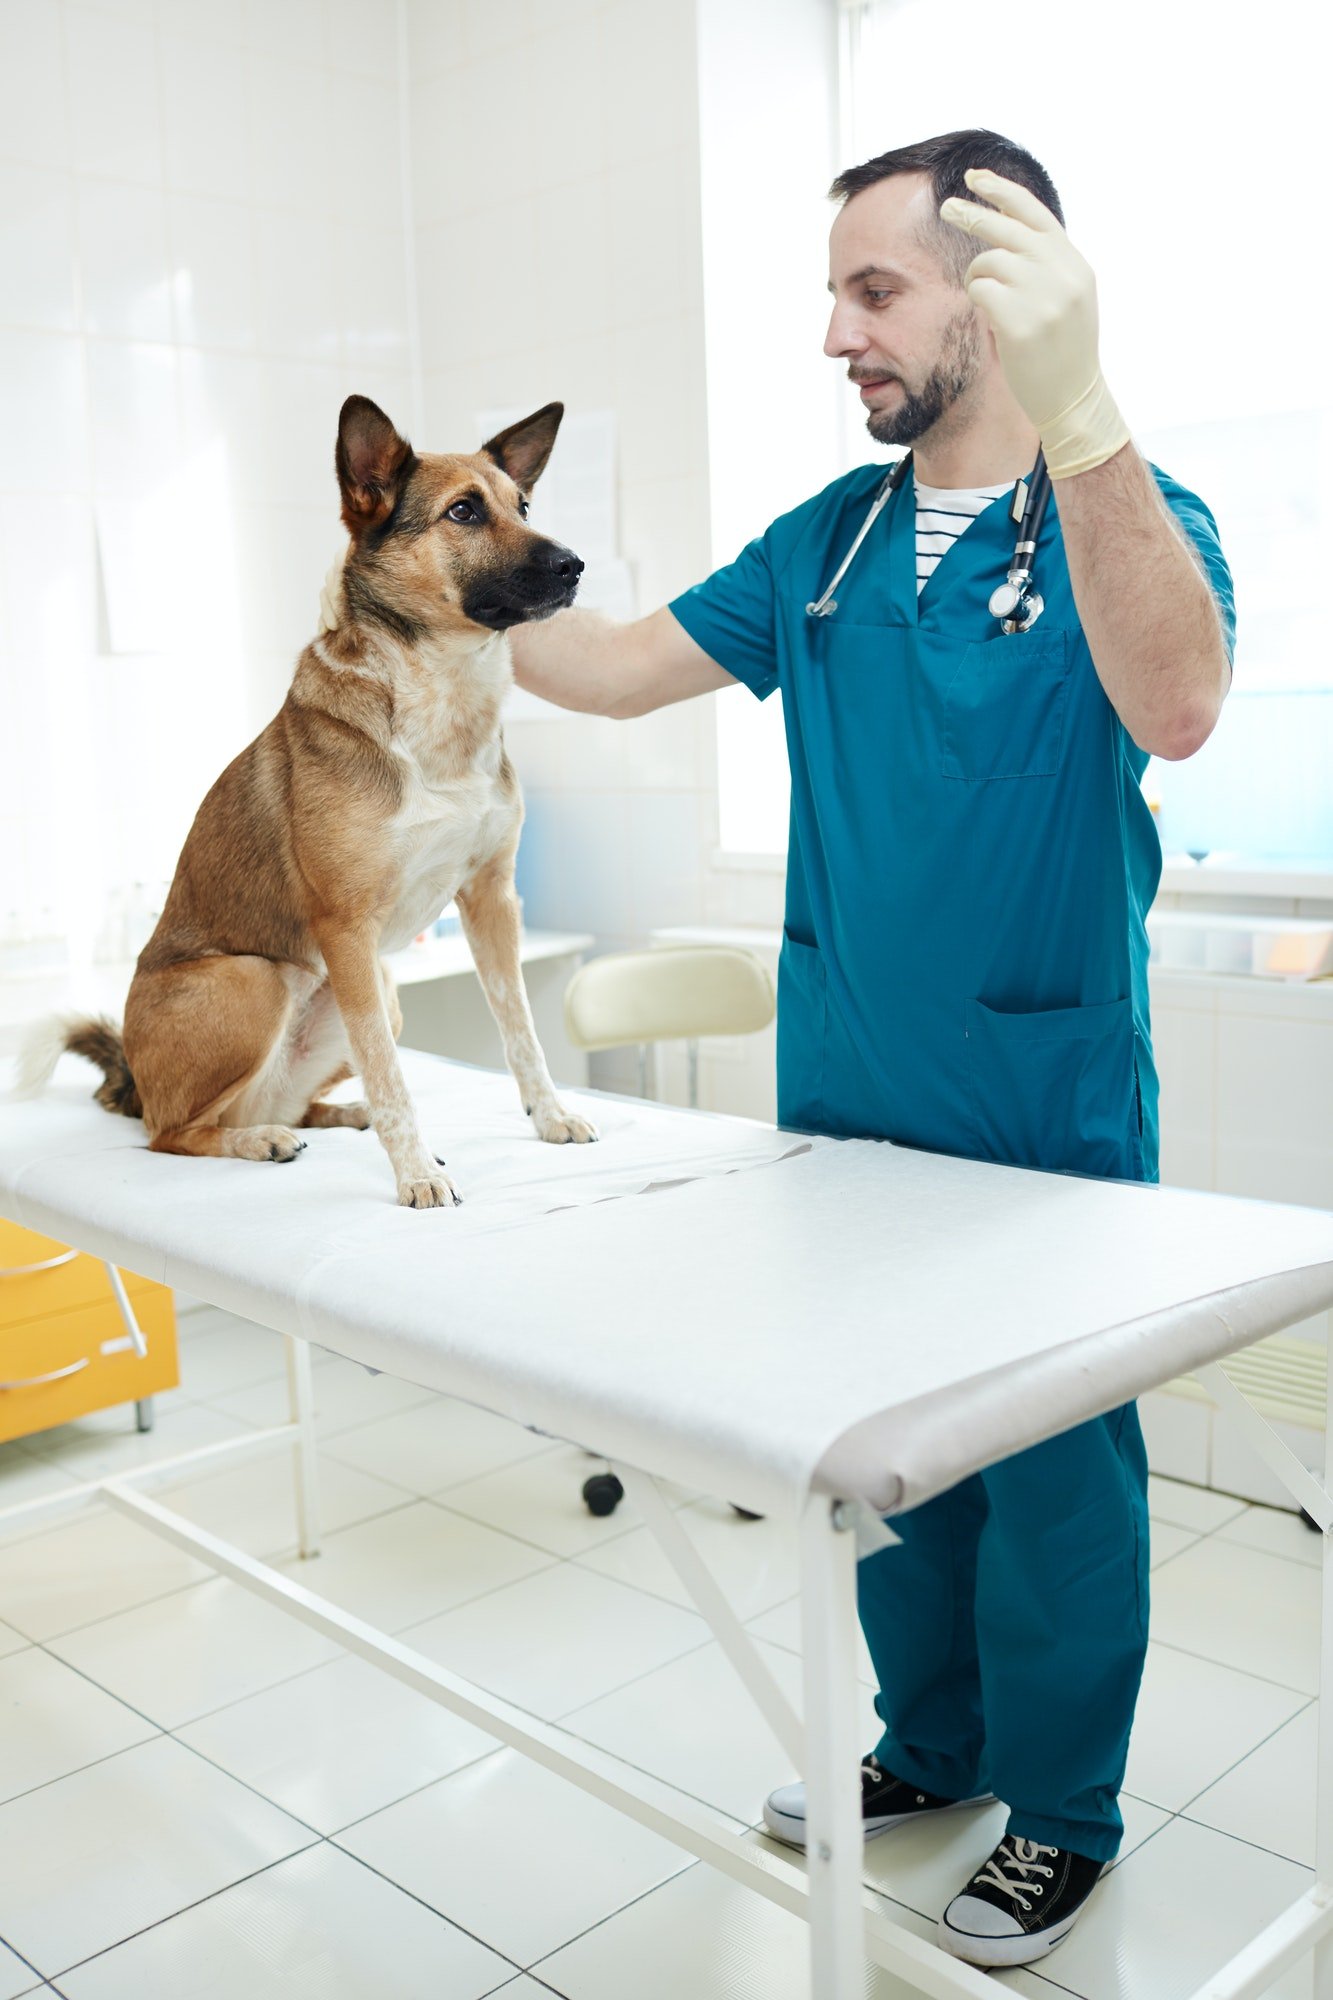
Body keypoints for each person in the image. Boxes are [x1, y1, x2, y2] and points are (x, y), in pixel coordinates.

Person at [327, 127, 1236, 1968]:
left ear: (998, 296)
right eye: (834, 293)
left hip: (1037, 1094)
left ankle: (1061, 1813)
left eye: (872, 290)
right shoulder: (825, 543)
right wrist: (428, 576)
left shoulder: (1130, 514)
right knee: (888, 1459)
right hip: (847, 1087)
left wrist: (1084, 417)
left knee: (1054, 1477)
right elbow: (609, 666)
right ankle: (932, 1747)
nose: (836, 333)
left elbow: (1179, 703)